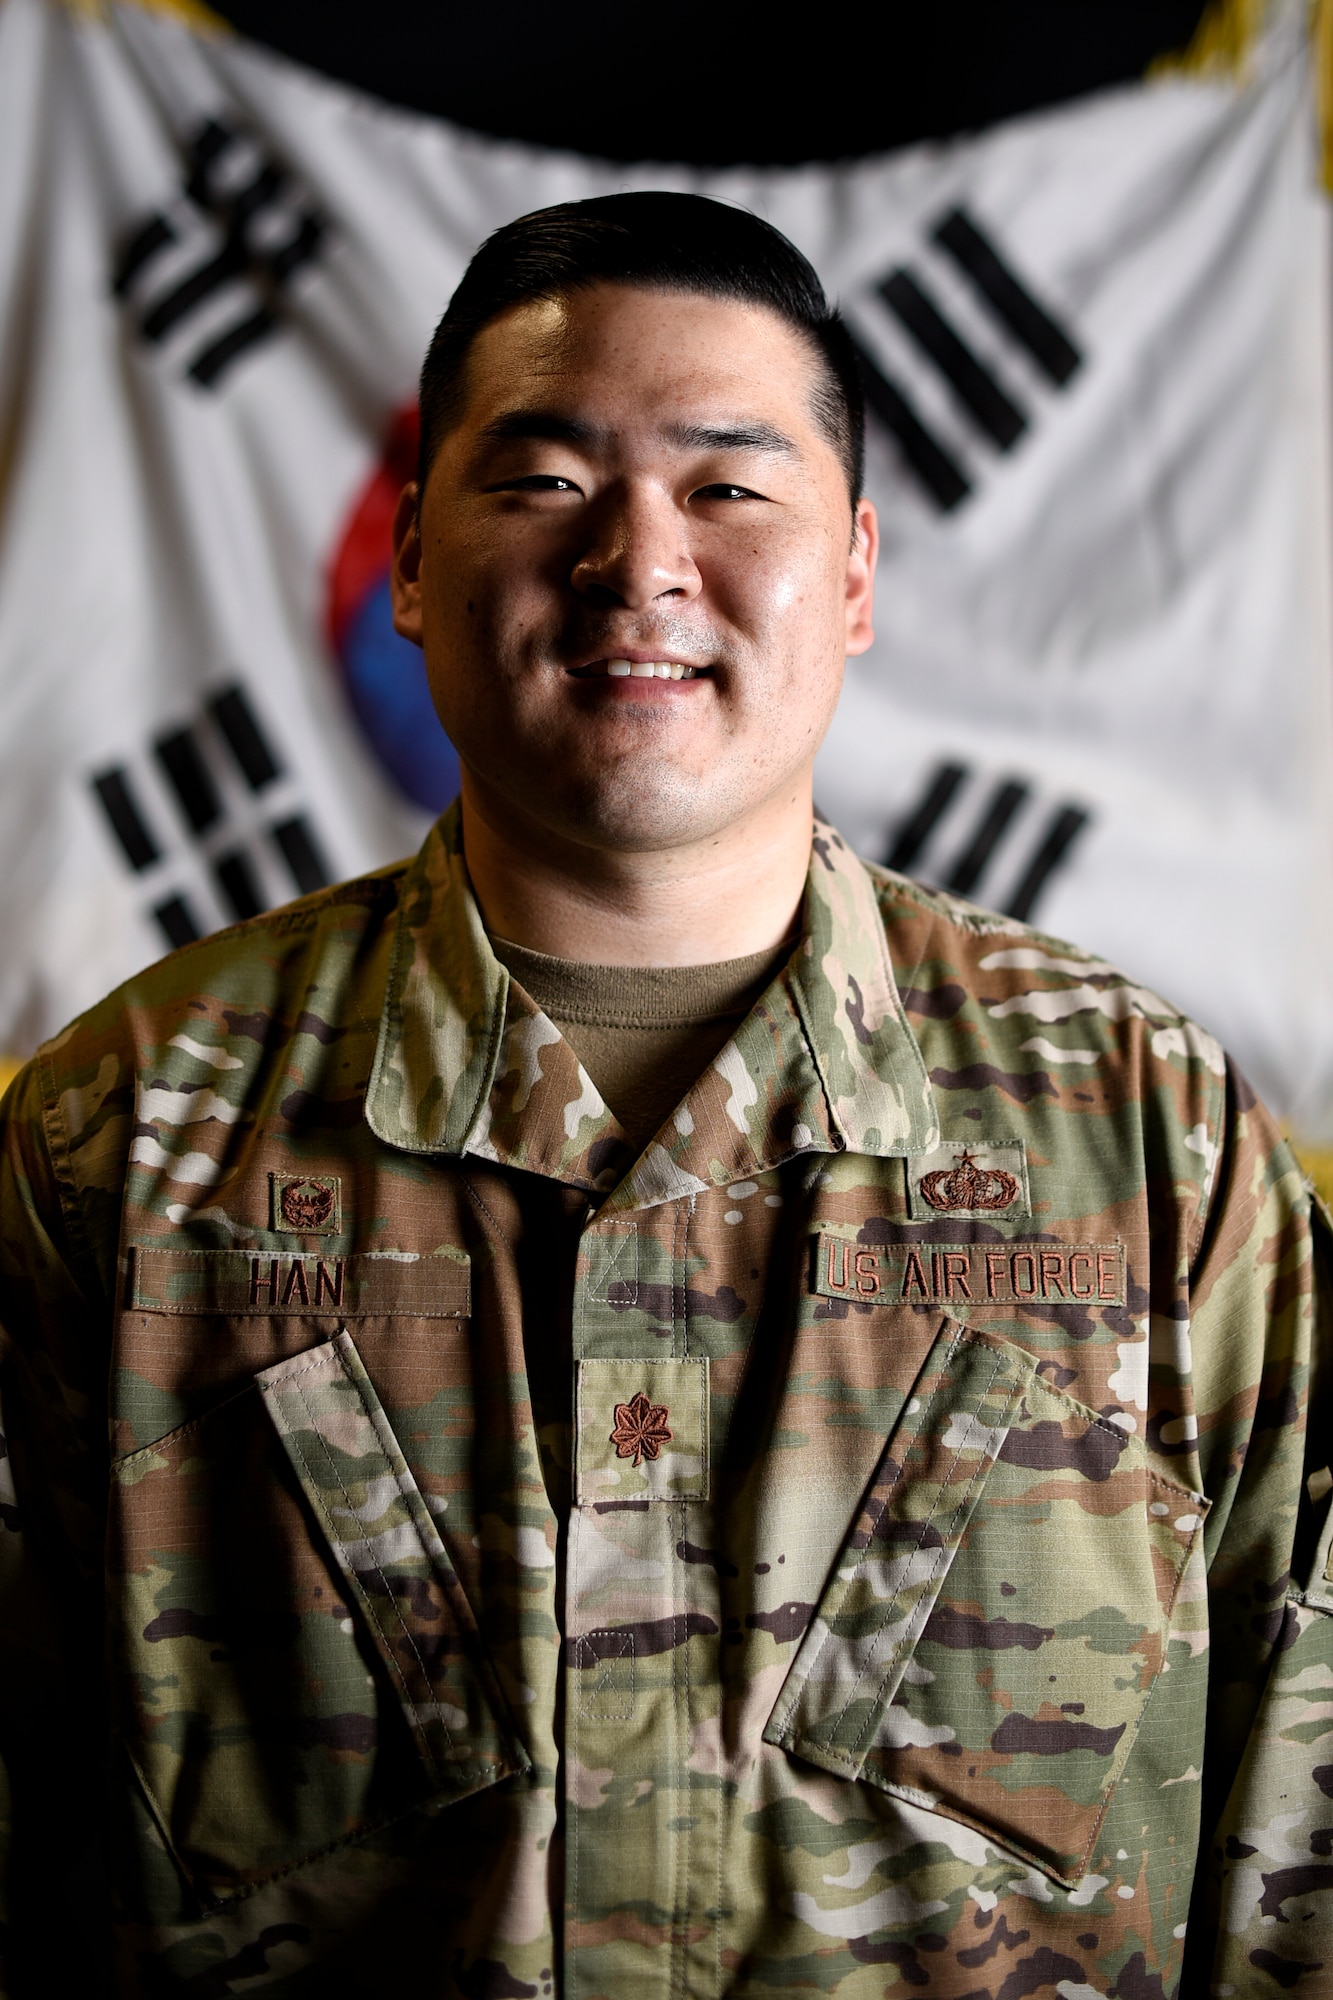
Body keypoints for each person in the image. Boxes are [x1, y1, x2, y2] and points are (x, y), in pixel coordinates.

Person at [0, 191, 1329, 2000]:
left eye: (728, 486)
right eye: (545, 480)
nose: (640, 561)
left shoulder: (1143, 1134)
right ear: (403, 561)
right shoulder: (131, 1139)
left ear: (853, 575)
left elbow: (1302, 1838)